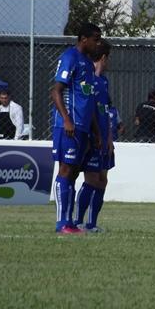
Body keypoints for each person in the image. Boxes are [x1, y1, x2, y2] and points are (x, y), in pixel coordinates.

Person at [50, 22, 102, 235]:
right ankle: (62, 223)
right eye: (95, 39)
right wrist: (67, 120)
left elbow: (88, 99)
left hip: (83, 127)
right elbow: (56, 91)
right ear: (83, 39)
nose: (98, 43)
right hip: (68, 126)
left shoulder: (89, 65)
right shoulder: (70, 57)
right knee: (65, 169)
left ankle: (70, 222)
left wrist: (96, 132)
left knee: (73, 174)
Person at [75, 39, 113, 233]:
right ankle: (78, 221)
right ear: (103, 58)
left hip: (105, 138)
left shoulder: (104, 82)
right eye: (108, 60)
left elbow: (105, 111)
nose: (108, 64)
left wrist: (109, 139)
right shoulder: (87, 80)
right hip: (93, 137)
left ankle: (92, 223)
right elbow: (88, 110)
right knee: (91, 179)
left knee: (102, 180)